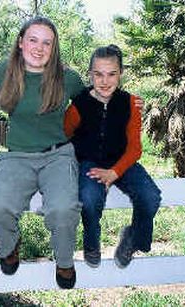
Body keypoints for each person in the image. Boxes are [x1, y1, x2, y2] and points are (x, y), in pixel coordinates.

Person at [0, 16, 84, 289]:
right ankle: (10, 245)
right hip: (17, 155)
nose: (39, 48)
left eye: (47, 43)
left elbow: (96, 104)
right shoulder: (3, 71)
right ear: (20, 42)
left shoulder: (68, 78)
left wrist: (127, 106)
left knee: (62, 209)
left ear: (54, 48)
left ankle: (64, 262)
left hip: (58, 155)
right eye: (33, 40)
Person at [63, 44, 161, 269]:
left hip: (123, 160)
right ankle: (91, 244)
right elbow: (64, 134)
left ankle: (133, 239)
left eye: (111, 74)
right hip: (89, 162)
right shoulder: (79, 105)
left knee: (150, 196)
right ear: (90, 74)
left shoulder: (130, 104)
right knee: (88, 197)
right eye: (98, 74)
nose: (105, 81)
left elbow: (135, 149)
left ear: (121, 74)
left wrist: (114, 173)